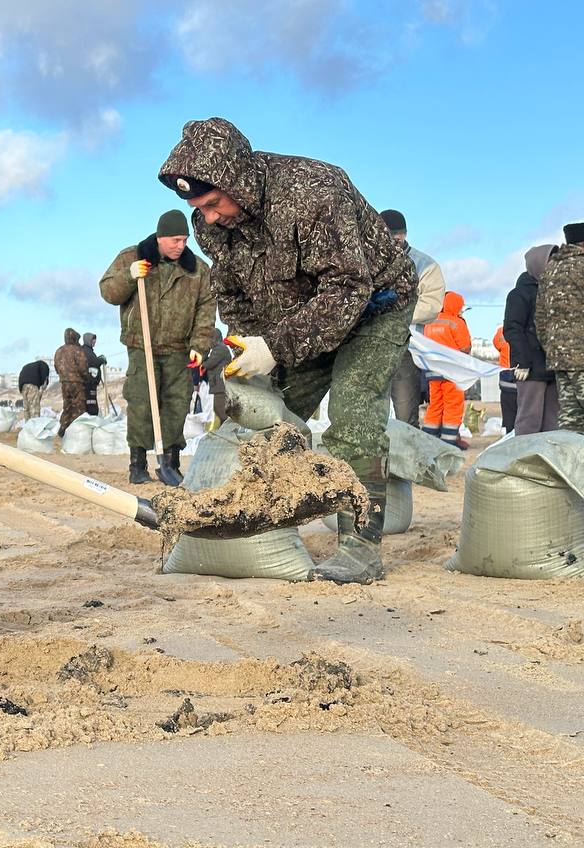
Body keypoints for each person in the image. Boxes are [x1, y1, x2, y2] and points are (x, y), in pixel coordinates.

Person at [159, 117, 417, 585]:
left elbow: (347, 288)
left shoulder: (315, 193)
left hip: (374, 305)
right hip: (302, 320)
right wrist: (245, 348)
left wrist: (274, 345)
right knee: (271, 413)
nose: (209, 217)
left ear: (236, 179)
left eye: (214, 203)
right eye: (200, 207)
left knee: (354, 407)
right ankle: (255, 519)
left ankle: (360, 548)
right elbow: (235, 293)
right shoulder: (211, 223)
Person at [99, 208, 215, 487]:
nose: (181, 246)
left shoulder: (197, 270)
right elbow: (108, 292)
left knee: (176, 405)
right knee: (141, 403)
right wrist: (129, 276)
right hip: (142, 346)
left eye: (185, 240)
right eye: (175, 240)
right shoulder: (133, 257)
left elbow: (206, 309)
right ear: (161, 237)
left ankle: (170, 462)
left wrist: (200, 344)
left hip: (179, 349)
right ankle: (137, 463)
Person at [379, 210, 445, 427]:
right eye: (387, 234)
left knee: (405, 415)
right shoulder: (367, 260)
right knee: (369, 412)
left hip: (406, 348)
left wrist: (395, 314)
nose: (392, 239)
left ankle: (406, 459)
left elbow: (432, 305)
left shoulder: (425, 264)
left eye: (396, 234)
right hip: (369, 344)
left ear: (404, 235)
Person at [503, 245, 558, 435]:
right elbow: (512, 329)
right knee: (529, 420)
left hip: (552, 366)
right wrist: (521, 362)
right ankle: (524, 462)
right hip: (531, 369)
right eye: (550, 261)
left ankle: (547, 462)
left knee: (553, 423)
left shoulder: (554, 292)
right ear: (538, 264)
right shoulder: (519, 294)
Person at [537, 222, 584, 434]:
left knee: (570, 420)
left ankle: (570, 465)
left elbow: (540, 317)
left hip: (558, 357)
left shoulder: (550, 270)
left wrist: (552, 347)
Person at [421, 292, 471, 447]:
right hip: (452, 372)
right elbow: (465, 347)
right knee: (453, 405)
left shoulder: (430, 323)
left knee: (435, 405)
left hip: (432, 372)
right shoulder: (456, 322)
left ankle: (429, 440)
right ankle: (448, 443)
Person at [52, 328, 89, 437]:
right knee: (79, 407)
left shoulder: (59, 351)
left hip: (64, 382)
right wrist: (87, 377)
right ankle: (76, 431)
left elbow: (56, 367)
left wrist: (63, 376)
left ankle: (63, 429)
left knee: (67, 406)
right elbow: (83, 368)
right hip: (77, 382)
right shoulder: (77, 350)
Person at [493, 325, 517, 433]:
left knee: (508, 410)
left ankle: (509, 432)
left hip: (505, 375)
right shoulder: (524, 328)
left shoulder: (500, 331)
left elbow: (496, 344)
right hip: (520, 372)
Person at [81, 332, 107, 415]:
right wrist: (101, 360)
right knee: (90, 402)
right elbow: (93, 362)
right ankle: (92, 416)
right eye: (93, 340)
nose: (94, 342)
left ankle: (92, 415)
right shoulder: (86, 351)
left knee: (91, 401)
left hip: (90, 382)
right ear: (88, 340)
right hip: (88, 383)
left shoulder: (89, 351)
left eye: (95, 340)